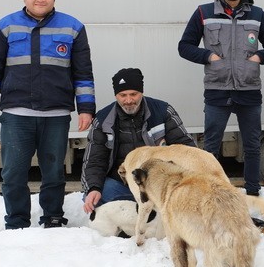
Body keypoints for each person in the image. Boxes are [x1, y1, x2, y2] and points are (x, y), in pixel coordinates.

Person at [0, 0, 95, 229]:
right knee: (13, 173)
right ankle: (17, 221)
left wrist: (86, 109)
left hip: (56, 115)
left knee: (53, 172)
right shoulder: (6, 26)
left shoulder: (73, 27)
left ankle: (53, 216)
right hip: (18, 116)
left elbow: (83, 74)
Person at [178, 0, 264, 196]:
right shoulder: (204, 13)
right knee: (211, 148)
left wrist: (259, 57)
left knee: (253, 146)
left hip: (249, 90)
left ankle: (253, 194)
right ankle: (210, 193)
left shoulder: (257, 14)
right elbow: (184, 47)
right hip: (217, 90)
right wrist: (208, 56)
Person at [80, 67, 197, 214]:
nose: (128, 100)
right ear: (116, 95)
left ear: (141, 92)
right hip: (122, 185)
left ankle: (148, 212)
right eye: (123, 95)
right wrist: (93, 189)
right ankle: (145, 214)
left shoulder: (163, 111)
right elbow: (93, 161)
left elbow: (188, 149)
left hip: (160, 183)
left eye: (133, 94)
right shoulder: (103, 119)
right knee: (94, 195)